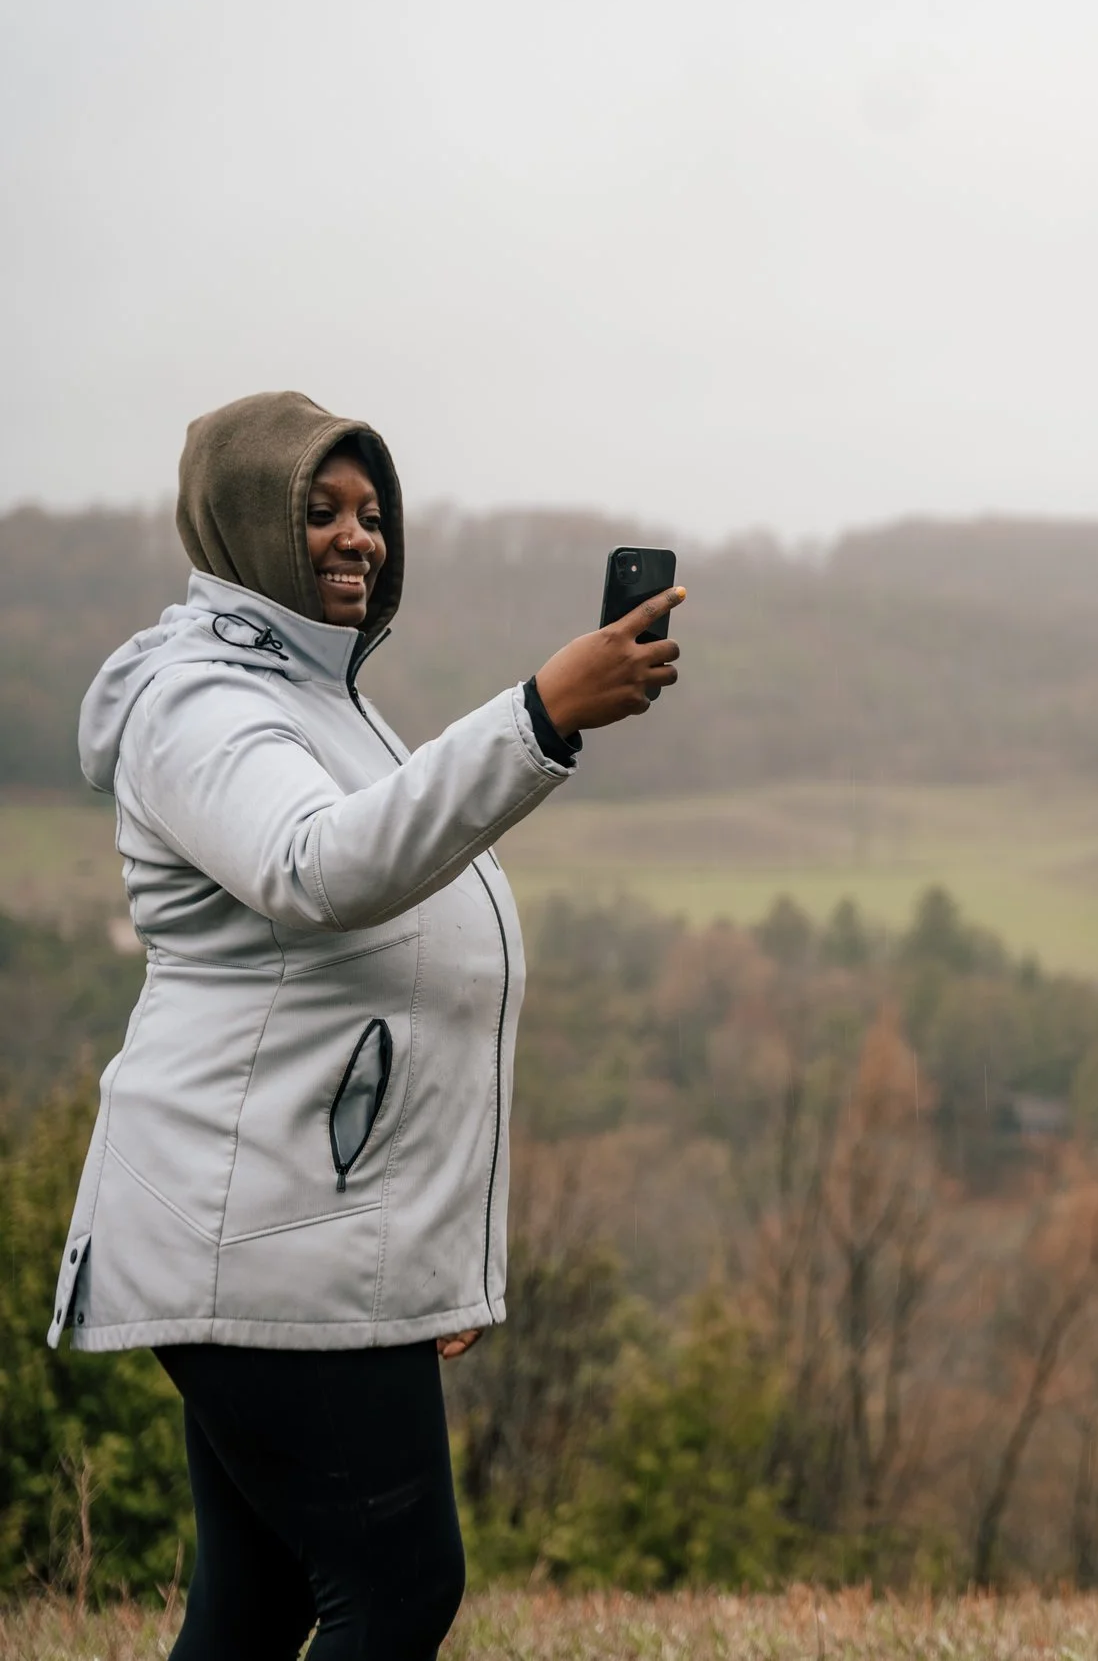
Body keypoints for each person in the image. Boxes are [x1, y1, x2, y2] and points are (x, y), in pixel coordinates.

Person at [46, 391, 682, 1659]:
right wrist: (540, 714)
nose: (359, 537)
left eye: (372, 514)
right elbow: (320, 867)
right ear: (242, 524)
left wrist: (427, 1257)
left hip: (306, 1237)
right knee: (396, 1590)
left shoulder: (314, 693)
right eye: (321, 511)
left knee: (261, 1600)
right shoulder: (198, 702)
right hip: (256, 1237)